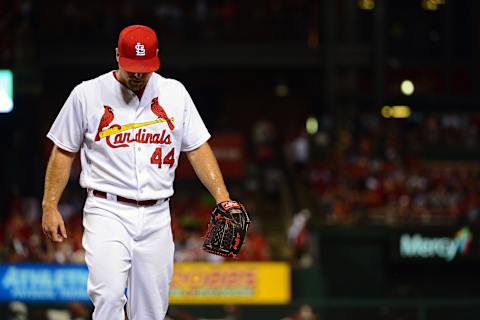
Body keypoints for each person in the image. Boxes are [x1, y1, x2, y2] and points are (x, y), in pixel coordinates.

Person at [41, 25, 235, 320]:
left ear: (157, 59)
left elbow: (197, 148)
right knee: (107, 295)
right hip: (107, 209)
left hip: (157, 215)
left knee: (152, 310)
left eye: (144, 68)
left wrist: (223, 198)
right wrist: (49, 204)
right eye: (131, 66)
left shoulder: (174, 93)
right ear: (117, 56)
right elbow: (63, 150)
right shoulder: (87, 94)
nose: (137, 74)